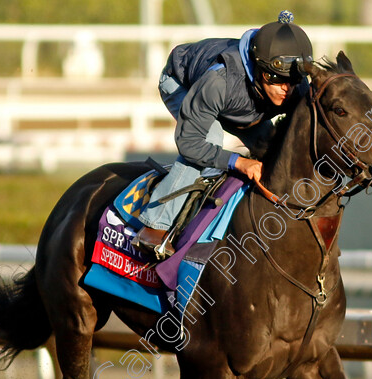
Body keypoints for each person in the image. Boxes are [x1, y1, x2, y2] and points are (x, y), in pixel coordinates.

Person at [134, 10, 313, 258]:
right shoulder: (220, 80)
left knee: (272, 145)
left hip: (239, 105)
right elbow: (189, 142)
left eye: (293, 80)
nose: (287, 88)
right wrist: (239, 162)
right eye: (278, 79)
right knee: (211, 138)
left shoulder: (292, 87)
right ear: (260, 69)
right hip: (182, 83)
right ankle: (155, 226)